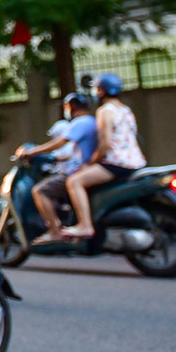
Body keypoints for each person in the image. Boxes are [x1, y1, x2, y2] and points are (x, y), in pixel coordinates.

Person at [62, 73, 146, 239]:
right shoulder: (126, 110)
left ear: (100, 91)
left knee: (74, 181)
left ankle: (85, 225)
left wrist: (92, 162)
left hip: (115, 164)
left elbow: (106, 144)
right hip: (135, 163)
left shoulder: (105, 111)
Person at [14, 93, 98, 243]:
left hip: (79, 170)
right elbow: (68, 152)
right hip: (85, 168)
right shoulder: (91, 122)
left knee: (40, 190)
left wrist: (32, 151)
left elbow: (60, 143)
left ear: (72, 107)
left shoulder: (80, 123)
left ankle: (54, 230)